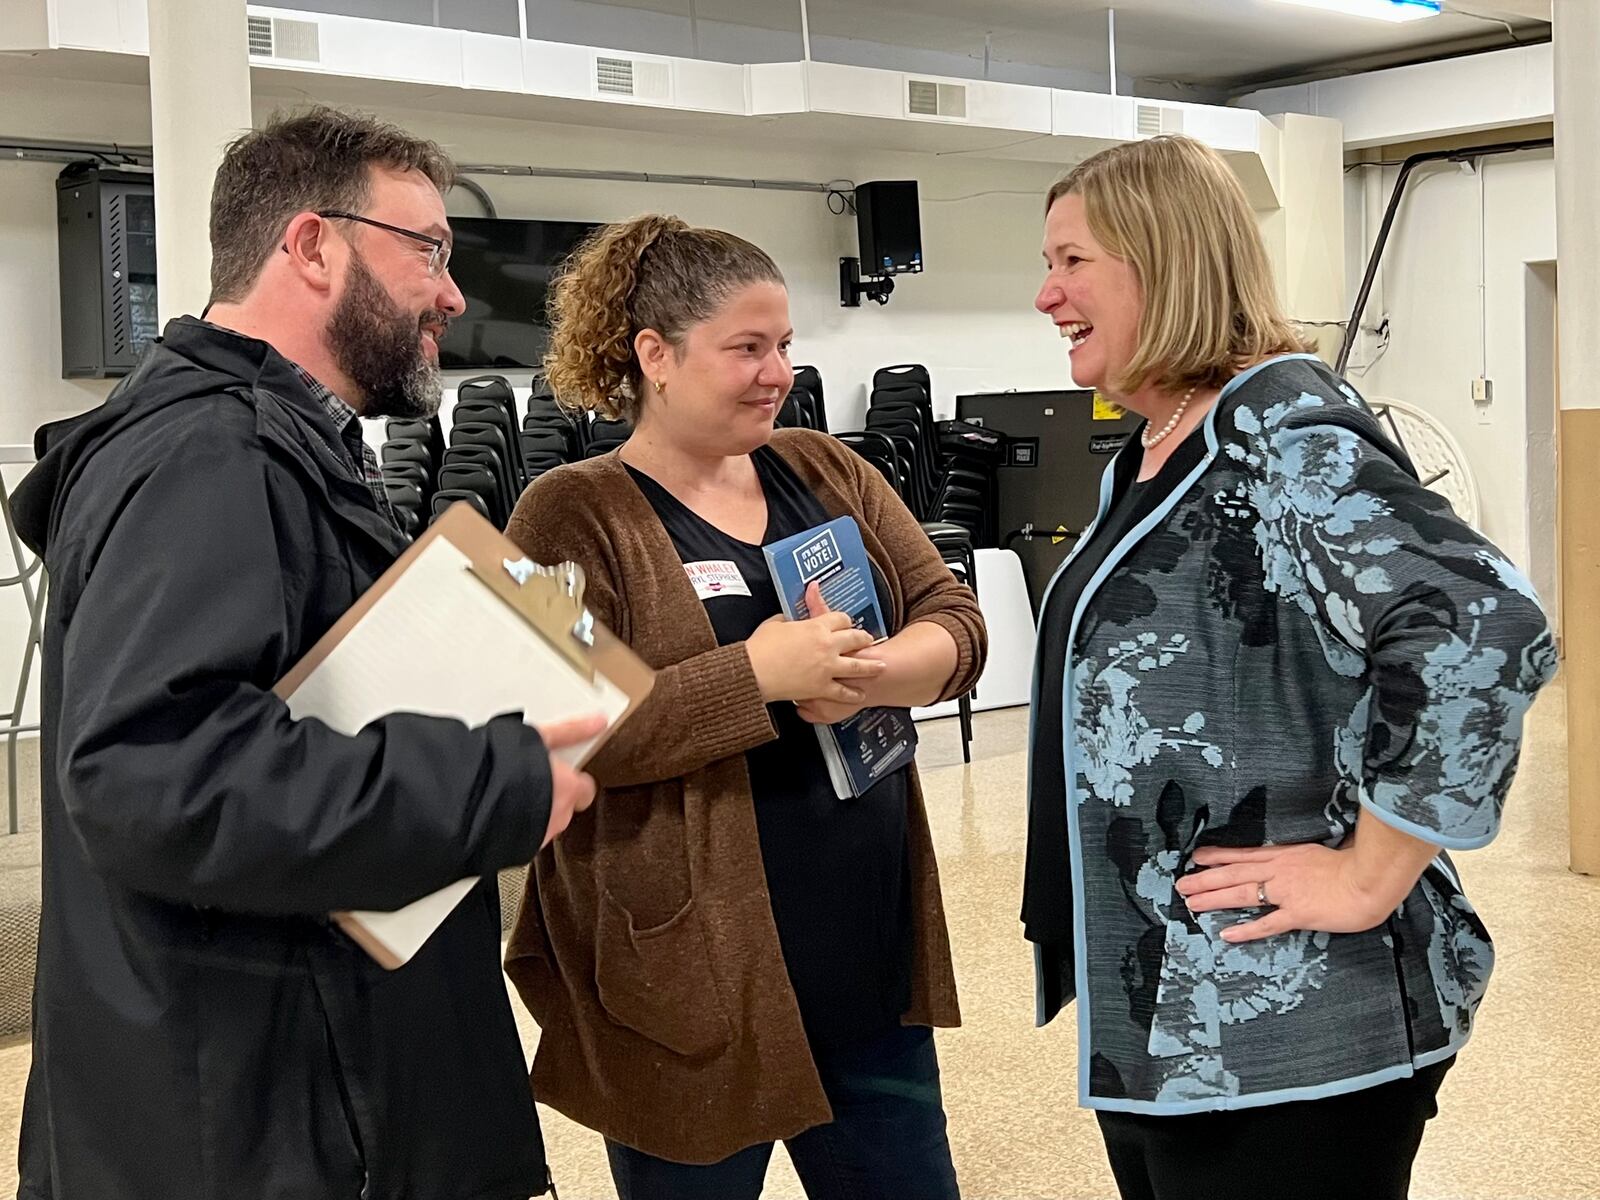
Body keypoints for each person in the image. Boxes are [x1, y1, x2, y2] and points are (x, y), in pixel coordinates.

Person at [11, 107, 600, 1200]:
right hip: (270, 1122)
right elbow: (157, 770)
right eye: (427, 249)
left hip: (283, 1084)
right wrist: (493, 778)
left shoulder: (258, 440)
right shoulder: (212, 450)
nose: (454, 294)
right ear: (312, 244)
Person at [1021, 134, 1557, 1200]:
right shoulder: (1163, 443)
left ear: (1161, 260)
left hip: (1291, 1021)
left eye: (1072, 260)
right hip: (1177, 1002)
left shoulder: (1283, 432)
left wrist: (1367, 873)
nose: (1046, 295)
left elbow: (1479, 625)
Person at [503, 215, 987, 1200]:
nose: (778, 373)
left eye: (785, 347)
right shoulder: (562, 513)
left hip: (867, 964)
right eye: (747, 348)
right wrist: (758, 676)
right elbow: (562, 734)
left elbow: (952, 615)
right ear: (657, 356)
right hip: (687, 992)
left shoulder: (826, 469)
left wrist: (880, 672)